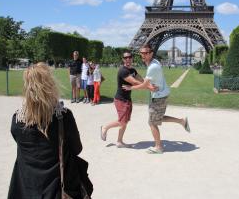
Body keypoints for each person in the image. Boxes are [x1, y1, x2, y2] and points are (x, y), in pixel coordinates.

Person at [8, 63, 92, 198]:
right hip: (57, 189)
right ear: (50, 85)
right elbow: (77, 149)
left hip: (27, 188)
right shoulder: (63, 117)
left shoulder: (17, 120)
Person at [122, 44, 190, 154]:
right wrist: (149, 85)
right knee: (158, 117)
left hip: (159, 96)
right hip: (160, 94)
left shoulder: (153, 67)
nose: (143, 55)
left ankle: (158, 147)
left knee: (152, 122)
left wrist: (131, 87)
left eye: (145, 53)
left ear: (151, 53)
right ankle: (181, 121)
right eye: (141, 53)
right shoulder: (154, 62)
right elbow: (147, 83)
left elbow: (144, 85)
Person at [100, 51, 147, 148]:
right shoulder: (123, 71)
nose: (128, 59)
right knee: (122, 122)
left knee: (125, 122)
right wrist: (148, 86)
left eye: (129, 57)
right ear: (123, 59)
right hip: (120, 100)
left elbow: (141, 80)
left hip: (127, 99)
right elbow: (134, 82)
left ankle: (119, 141)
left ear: (132, 58)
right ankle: (105, 127)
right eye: (126, 58)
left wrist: (149, 82)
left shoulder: (133, 70)